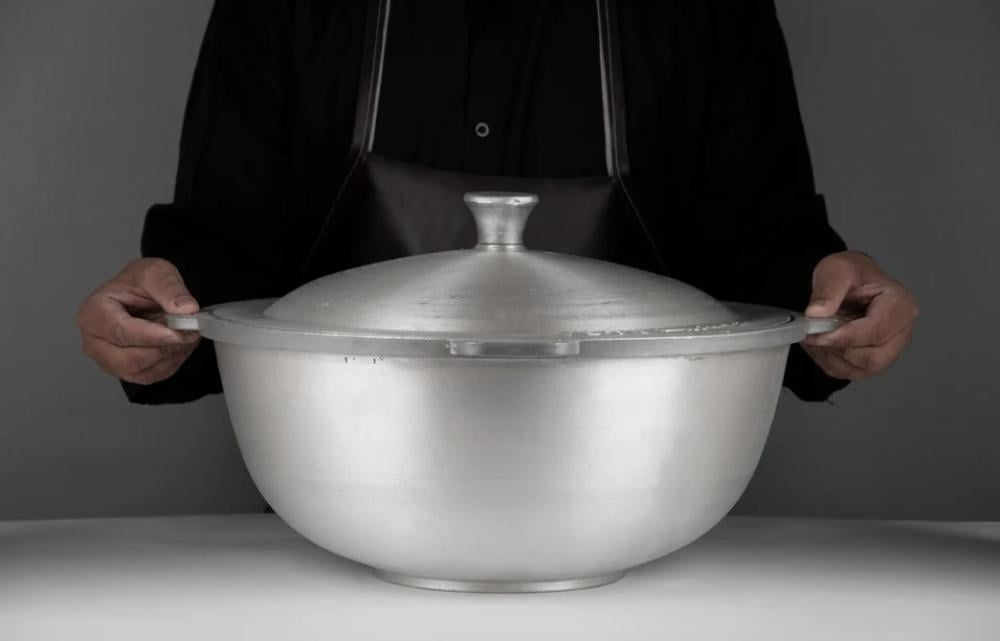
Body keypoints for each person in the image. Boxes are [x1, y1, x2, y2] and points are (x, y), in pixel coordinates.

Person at [76, 0, 917, 404]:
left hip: (647, 494)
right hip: (342, 499)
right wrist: (159, 315)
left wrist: (831, 299)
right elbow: (228, 257)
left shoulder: (708, 11)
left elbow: (761, 253)